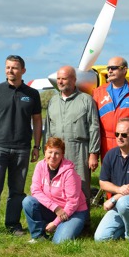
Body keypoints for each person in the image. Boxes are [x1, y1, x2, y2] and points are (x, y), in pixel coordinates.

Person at [0, 55, 42, 238]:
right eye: (7, 67)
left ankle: (13, 224)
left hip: (22, 149)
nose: (10, 71)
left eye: (14, 68)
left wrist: (36, 146)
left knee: (17, 191)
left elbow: (37, 121)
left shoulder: (32, 94)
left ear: (23, 70)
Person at [45, 65, 100, 208]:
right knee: (57, 185)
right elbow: (49, 128)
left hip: (79, 150)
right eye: (58, 79)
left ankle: (84, 223)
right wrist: (47, 152)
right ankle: (60, 219)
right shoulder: (53, 101)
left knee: (80, 186)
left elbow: (94, 128)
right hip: (57, 152)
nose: (60, 82)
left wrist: (93, 153)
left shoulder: (86, 100)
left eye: (64, 78)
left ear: (74, 80)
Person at [94, 118, 129, 241]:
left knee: (124, 203)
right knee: (100, 238)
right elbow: (103, 183)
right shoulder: (110, 154)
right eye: (117, 134)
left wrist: (115, 198)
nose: (119, 137)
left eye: (124, 135)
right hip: (119, 204)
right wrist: (119, 189)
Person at [22, 137, 89, 244]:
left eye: (57, 153)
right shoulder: (40, 166)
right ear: (45, 152)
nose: (53, 156)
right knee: (28, 201)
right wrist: (55, 208)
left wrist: (55, 223)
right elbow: (35, 190)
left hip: (73, 211)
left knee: (59, 242)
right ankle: (38, 236)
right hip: (54, 209)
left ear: (62, 155)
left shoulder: (69, 173)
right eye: (50, 152)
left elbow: (73, 203)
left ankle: (70, 226)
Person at [92, 56, 129, 159]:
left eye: (113, 68)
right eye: (108, 68)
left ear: (124, 70)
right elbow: (93, 123)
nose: (109, 71)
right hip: (106, 144)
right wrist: (94, 152)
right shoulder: (98, 93)